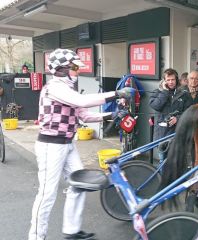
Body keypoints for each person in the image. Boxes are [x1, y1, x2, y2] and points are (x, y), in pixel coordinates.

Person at [28, 48, 134, 240]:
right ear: (61, 69)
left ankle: (71, 230)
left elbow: (84, 115)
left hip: (67, 144)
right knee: (47, 193)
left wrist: (111, 115)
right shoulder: (54, 87)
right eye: (75, 67)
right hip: (50, 146)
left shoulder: (67, 90)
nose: (78, 71)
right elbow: (81, 102)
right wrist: (116, 93)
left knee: (80, 184)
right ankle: (36, 236)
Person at [149, 68, 192, 163]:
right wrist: (165, 92)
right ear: (164, 81)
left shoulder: (184, 94)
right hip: (161, 133)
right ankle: (162, 178)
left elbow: (189, 112)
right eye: (168, 80)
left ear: (176, 80)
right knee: (162, 161)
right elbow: (156, 106)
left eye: (173, 79)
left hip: (177, 132)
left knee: (176, 161)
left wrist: (178, 118)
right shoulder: (157, 92)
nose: (171, 82)